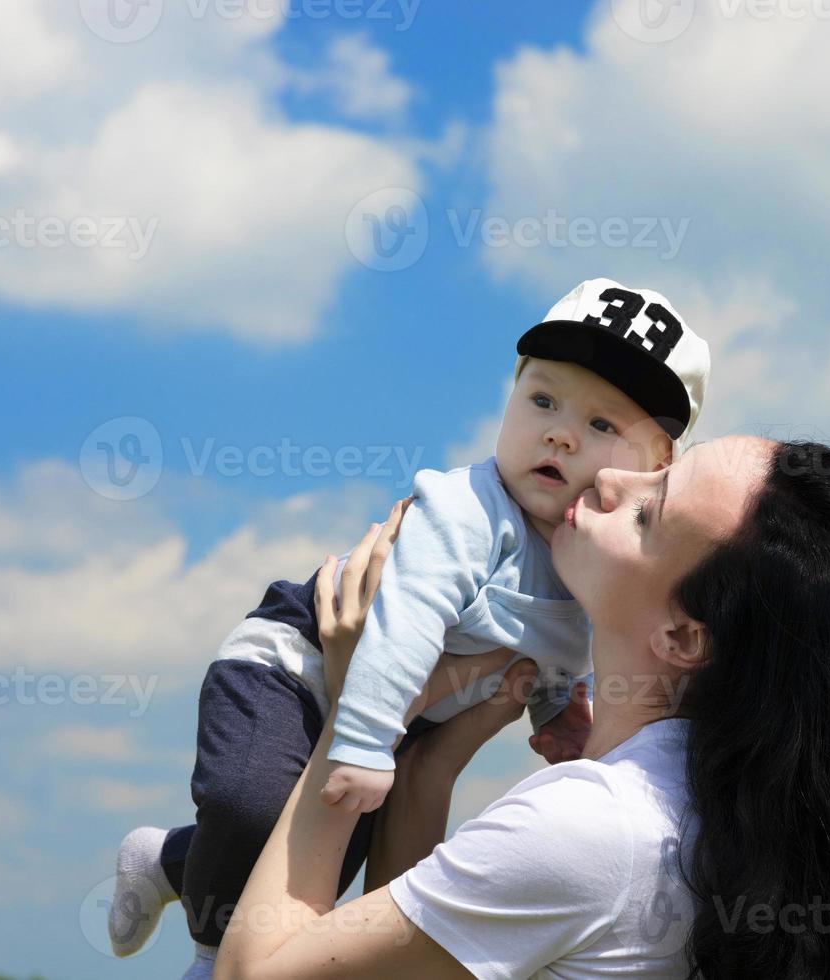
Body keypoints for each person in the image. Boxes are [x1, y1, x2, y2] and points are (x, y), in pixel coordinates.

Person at [211, 436, 830, 980]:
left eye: (649, 511)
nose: (609, 475)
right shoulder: (724, 822)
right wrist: (431, 765)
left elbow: (257, 974)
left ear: (683, 636)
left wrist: (361, 709)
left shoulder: (595, 828)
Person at [106, 278, 714, 973]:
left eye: (602, 425)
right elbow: (407, 618)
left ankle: (165, 860)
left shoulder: (585, 564)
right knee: (253, 811)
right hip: (294, 667)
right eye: (542, 400)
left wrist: (558, 712)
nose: (560, 432)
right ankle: (212, 953)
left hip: (395, 712)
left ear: (655, 467)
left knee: (324, 859)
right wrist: (362, 742)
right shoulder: (467, 510)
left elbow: (556, 650)